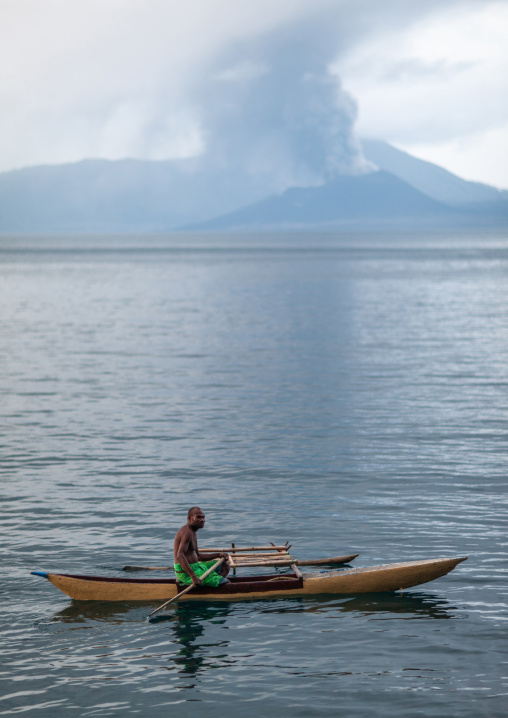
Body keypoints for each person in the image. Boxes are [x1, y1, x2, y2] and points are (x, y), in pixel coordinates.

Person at [173, 507, 230, 587]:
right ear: (189, 518)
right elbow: (180, 556)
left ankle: (211, 583)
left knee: (224, 564)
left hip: (197, 567)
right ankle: (212, 582)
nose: (202, 520)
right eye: (198, 517)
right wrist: (193, 577)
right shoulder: (187, 532)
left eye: (203, 517)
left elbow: (198, 556)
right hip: (186, 574)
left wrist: (218, 555)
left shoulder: (193, 532)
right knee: (225, 582)